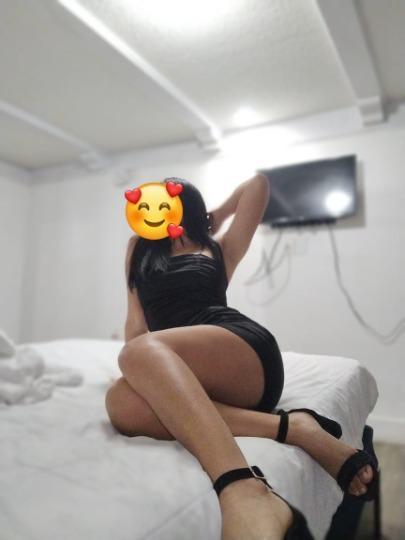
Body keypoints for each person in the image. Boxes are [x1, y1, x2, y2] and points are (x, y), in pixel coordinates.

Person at [105, 175, 378, 540]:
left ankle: (241, 486)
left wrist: (215, 217)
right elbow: (136, 323)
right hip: (176, 366)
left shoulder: (218, 249)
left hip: (240, 353)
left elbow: (258, 185)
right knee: (120, 403)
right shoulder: (138, 248)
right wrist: (142, 373)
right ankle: (293, 427)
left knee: (139, 352)